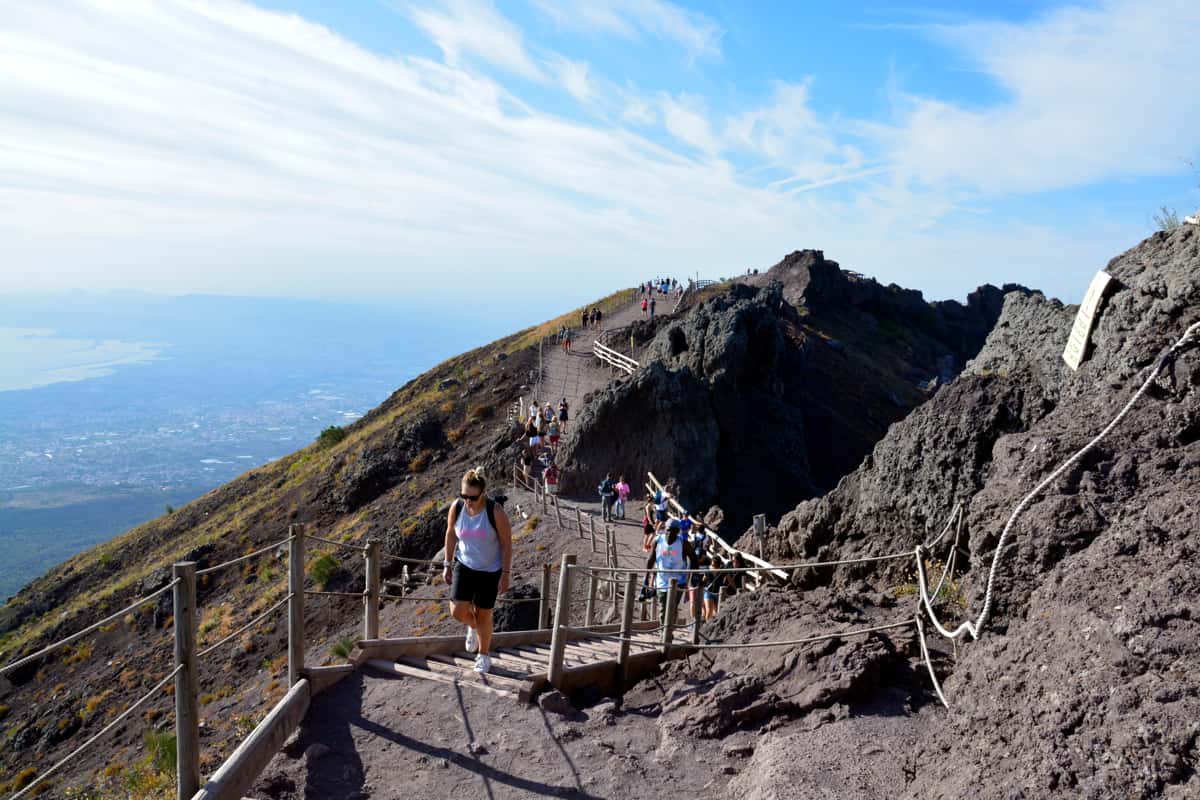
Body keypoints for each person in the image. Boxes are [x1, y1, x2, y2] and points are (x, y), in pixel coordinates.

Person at [443, 467, 512, 674]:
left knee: (484, 613)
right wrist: (446, 564)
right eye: (464, 495)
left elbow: (507, 544)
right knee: (456, 610)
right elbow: (450, 535)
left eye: (472, 497)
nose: (468, 501)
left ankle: (483, 655)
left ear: (483, 493)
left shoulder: (495, 512)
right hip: (464, 564)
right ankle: (472, 627)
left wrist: (506, 575)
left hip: (490, 570)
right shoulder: (457, 508)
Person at [644, 519, 698, 624]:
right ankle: (665, 633)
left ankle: (669, 630)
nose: (670, 533)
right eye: (668, 530)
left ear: (678, 531)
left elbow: (694, 558)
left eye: (673, 531)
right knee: (663, 608)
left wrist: (693, 576)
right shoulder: (658, 540)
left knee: (672, 606)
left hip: (679, 581)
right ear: (665, 529)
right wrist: (646, 577)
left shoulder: (683, 543)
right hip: (662, 580)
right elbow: (651, 559)